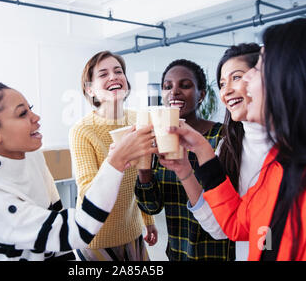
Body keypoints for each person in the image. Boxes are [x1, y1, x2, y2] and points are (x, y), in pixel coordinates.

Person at [168, 18, 306, 260]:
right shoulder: (277, 165)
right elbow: (237, 224)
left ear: (295, 79)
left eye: (258, 69)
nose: (246, 81)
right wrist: (200, 150)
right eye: (223, 83)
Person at [0, 82, 156, 261]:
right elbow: (78, 230)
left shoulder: (32, 158)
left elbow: (56, 227)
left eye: (30, 108)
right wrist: (116, 160)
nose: (35, 118)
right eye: (22, 114)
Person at [160, 44, 272, 261]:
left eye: (236, 77)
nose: (227, 90)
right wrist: (184, 170)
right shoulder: (229, 146)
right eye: (222, 83)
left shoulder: (294, 149)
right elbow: (224, 227)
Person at [135, 59, 235, 261]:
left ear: (202, 95)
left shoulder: (222, 137)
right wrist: (143, 168)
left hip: (217, 253)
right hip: (178, 254)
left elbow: (228, 203)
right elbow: (152, 206)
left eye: (185, 85)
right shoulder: (159, 140)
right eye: (167, 86)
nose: (174, 91)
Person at [69, 51, 157, 261]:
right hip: (96, 237)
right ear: (90, 90)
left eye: (118, 71)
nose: (114, 76)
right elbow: (89, 190)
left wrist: (148, 218)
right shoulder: (82, 130)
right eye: (103, 74)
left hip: (132, 231)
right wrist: (116, 160)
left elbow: (142, 175)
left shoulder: (139, 119)